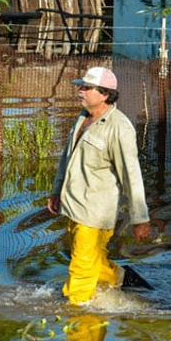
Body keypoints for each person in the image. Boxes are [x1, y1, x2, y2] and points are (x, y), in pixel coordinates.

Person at [48, 66, 151, 305]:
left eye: (86, 88)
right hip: (73, 206)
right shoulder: (83, 118)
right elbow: (67, 158)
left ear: (105, 94)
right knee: (90, 259)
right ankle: (122, 278)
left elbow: (131, 174)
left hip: (94, 214)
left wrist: (140, 219)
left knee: (81, 271)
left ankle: (79, 316)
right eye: (80, 86)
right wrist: (56, 191)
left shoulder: (119, 127)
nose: (80, 92)